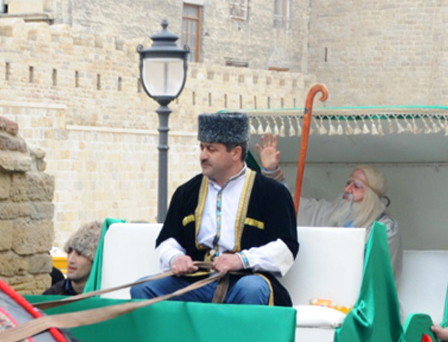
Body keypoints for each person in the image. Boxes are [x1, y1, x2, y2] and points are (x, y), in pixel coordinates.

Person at [130, 112, 298, 306]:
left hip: (244, 280)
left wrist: (241, 260)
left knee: (252, 289)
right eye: (202, 148)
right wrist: (175, 258)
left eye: (211, 149)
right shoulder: (187, 192)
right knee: (143, 288)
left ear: (235, 153)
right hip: (195, 281)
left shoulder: (271, 193)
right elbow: (168, 239)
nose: (203, 156)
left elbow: (286, 248)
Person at [256, 132, 401, 278]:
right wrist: (272, 172)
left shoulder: (385, 227)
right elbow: (290, 204)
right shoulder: (330, 212)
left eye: (356, 185)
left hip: (363, 296)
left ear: (371, 196)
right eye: (347, 183)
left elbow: (378, 276)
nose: (347, 189)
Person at [44, 222, 100, 296]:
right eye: (69, 251)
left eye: (80, 253)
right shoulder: (51, 295)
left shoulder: (108, 296)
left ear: (95, 260)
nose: (71, 260)